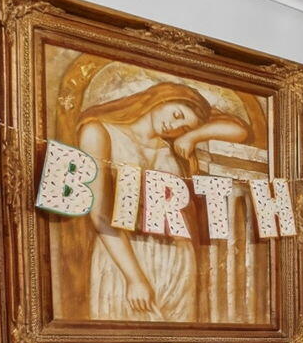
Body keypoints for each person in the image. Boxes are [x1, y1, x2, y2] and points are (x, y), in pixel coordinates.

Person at [73, 81, 248, 321]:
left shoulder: (172, 147)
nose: (173, 126)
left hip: (178, 263)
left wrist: (193, 135)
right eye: (177, 115)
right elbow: (100, 214)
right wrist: (134, 279)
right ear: (162, 97)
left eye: (182, 127)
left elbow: (239, 130)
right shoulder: (99, 131)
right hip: (124, 261)